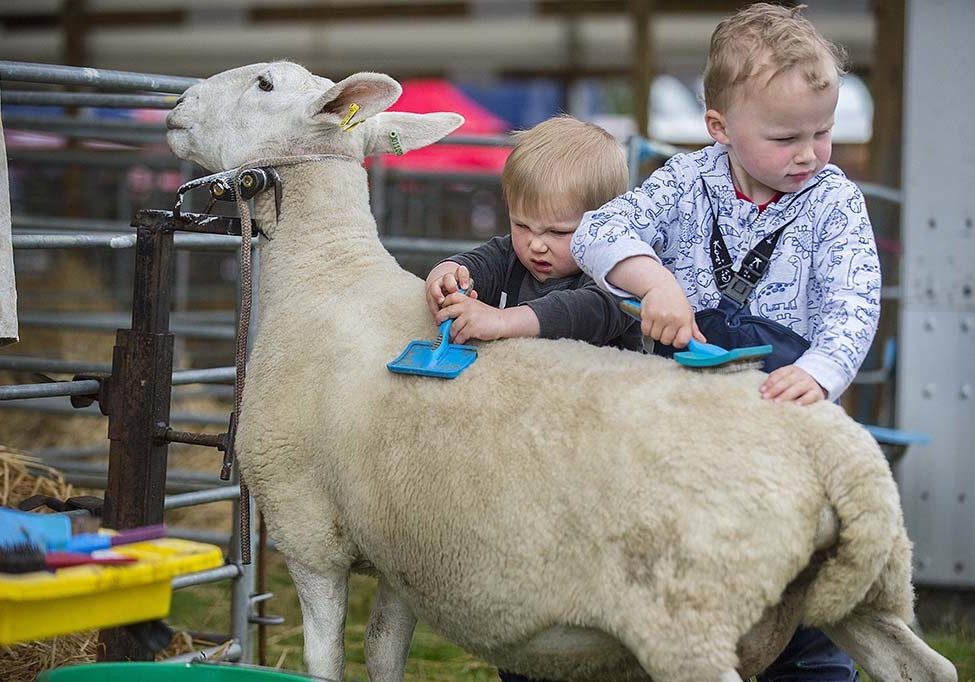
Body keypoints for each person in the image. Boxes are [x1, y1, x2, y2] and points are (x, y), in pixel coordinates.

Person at [572, 3, 879, 679]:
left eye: (821, 132)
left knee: (791, 574)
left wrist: (823, 371)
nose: (807, 153)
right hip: (679, 415)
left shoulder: (832, 202)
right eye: (783, 137)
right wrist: (653, 282)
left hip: (776, 404)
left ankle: (807, 665)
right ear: (719, 128)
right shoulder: (686, 181)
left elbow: (853, 301)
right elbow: (596, 230)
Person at [426, 115, 643, 355]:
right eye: (521, 225)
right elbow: (471, 264)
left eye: (557, 232)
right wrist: (443, 280)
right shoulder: (510, 255)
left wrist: (502, 320)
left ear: (605, 224)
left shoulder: (618, 273)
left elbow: (584, 311)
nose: (536, 245)